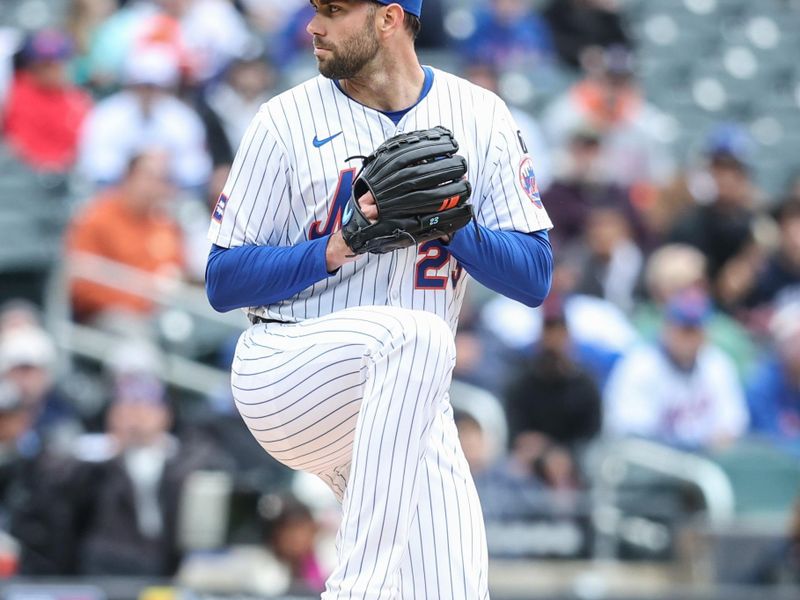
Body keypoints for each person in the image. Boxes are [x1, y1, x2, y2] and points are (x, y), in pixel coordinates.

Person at [204, 0, 554, 597]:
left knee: (456, 586)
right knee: (417, 336)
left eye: (334, 10)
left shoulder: (479, 115)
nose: (314, 25)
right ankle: (355, 589)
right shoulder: (283, 121)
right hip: (290, 370)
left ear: (388, 19)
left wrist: (451, 225)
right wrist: (332, 249)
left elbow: (534, 277)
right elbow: (222, 279)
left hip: (405, 401)